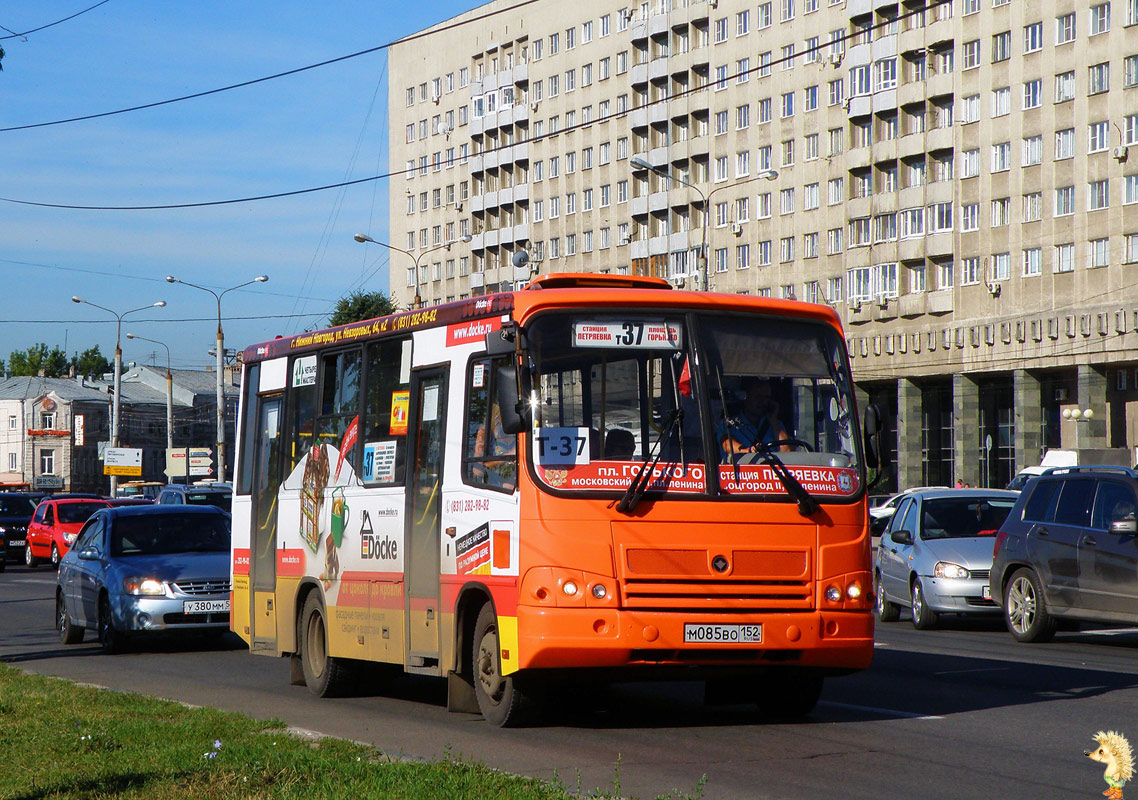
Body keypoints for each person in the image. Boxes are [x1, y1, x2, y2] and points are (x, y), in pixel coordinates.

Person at [716, 377, 791, 458]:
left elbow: (787, 451)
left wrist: (773, 420)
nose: (763, 401)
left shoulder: (775, 425)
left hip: (771, 469)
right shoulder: (729, 423)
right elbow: (727, 445)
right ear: (747, 397)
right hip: (740, 469)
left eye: (766, 397)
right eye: (758, 397)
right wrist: (749, 451)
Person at [472, 405, 516, 490]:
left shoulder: (521, 435)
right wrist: (507, 457)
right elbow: (477, 471)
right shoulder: (487, 435)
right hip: (494, 487)